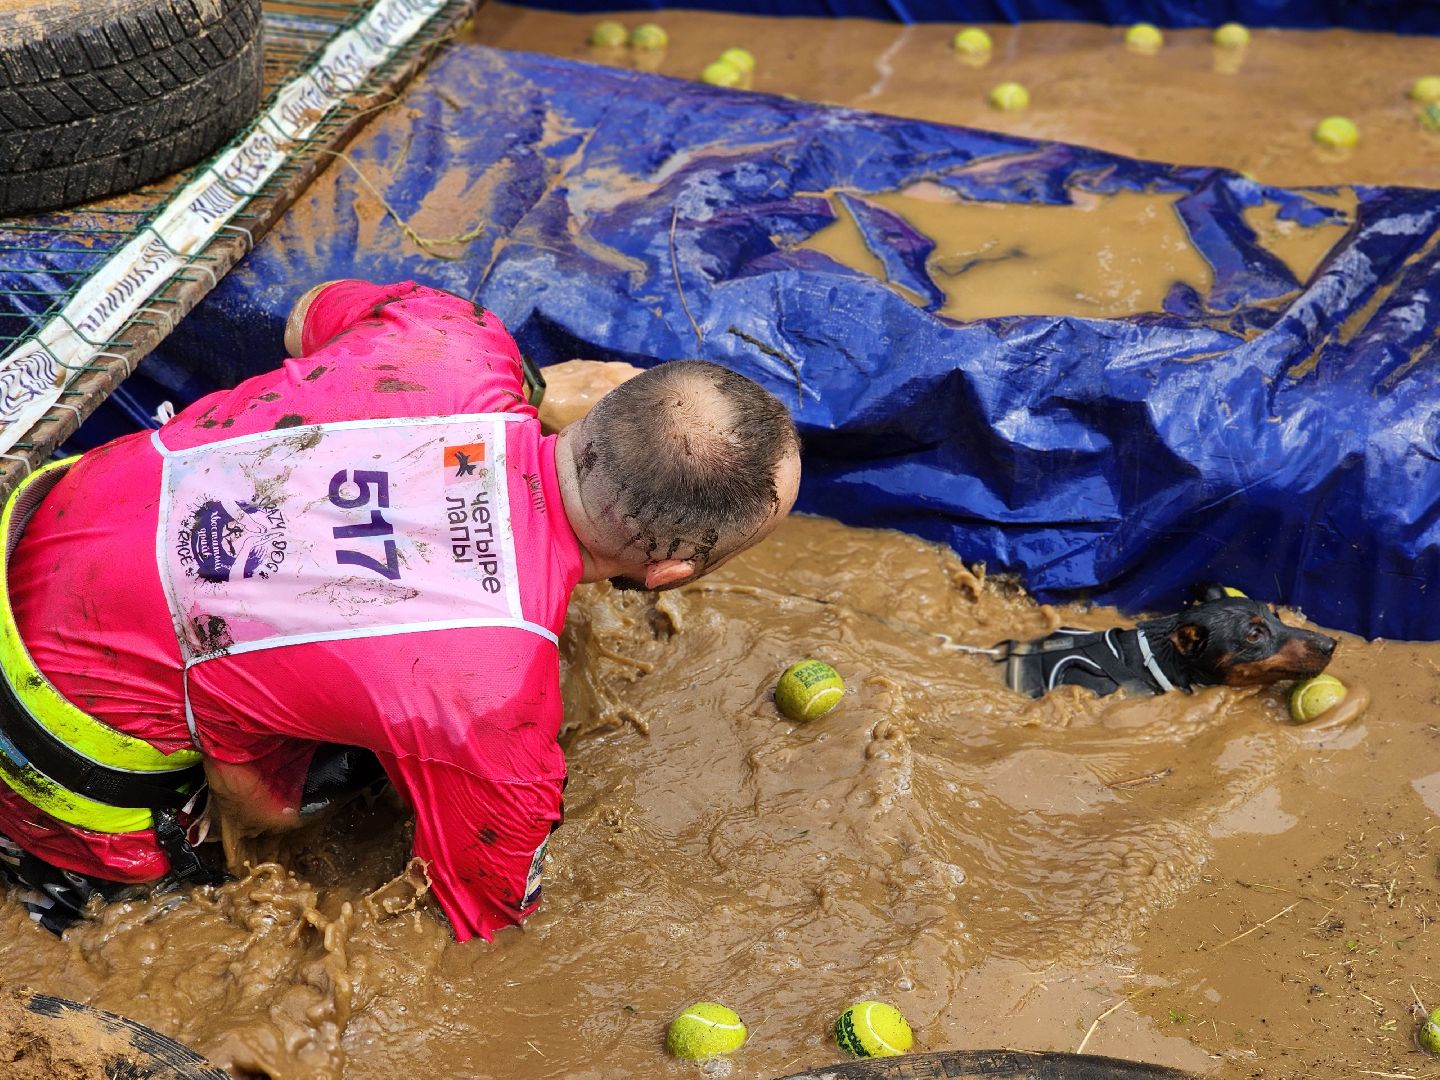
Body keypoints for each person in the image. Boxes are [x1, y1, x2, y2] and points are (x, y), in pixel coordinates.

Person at [0, 279, 801, 939]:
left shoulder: (452, 335)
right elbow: (485, 913)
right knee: (158, 914)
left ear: (604, 404)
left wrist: (531, 392)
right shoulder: (495, 701)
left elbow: (306, 317)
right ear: (668, 572)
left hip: (31, 524)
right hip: (44, 737)